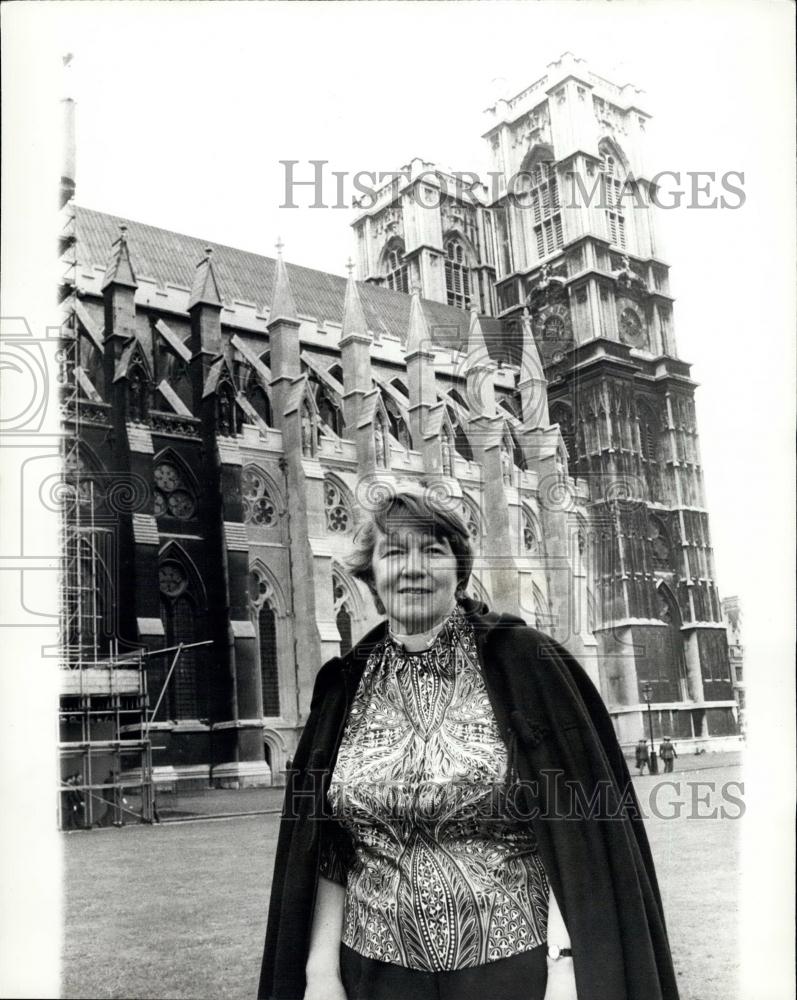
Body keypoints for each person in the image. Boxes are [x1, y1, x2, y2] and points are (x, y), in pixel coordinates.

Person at [259, 485, 679, 1000]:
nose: (413, 568)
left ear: (460, 570)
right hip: (373, 974)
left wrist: (567, 968)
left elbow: (577, 838)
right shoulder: (342, 686)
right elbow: (327, 847)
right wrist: (320, 974)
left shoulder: (526, 664)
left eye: (433, 551)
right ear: (370, 577)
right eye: (394, 553)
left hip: (512, 970)